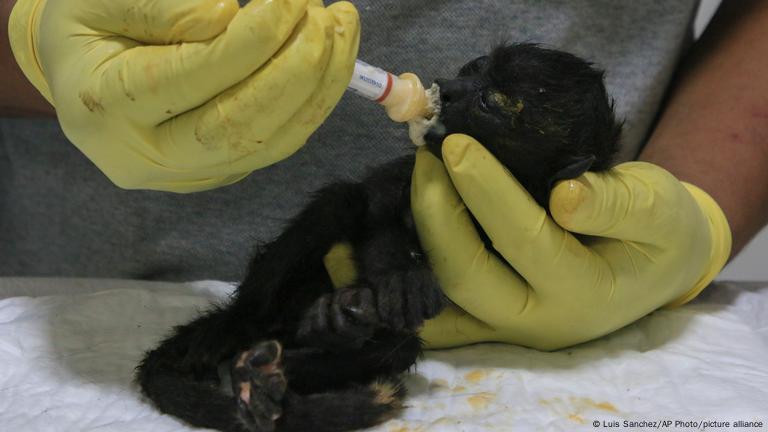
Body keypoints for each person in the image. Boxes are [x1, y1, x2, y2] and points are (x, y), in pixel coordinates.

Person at [1, 0, 767, 350]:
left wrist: (698, 212)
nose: (452, 89)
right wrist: (38, 38)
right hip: (95, 300)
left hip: (599, 307)